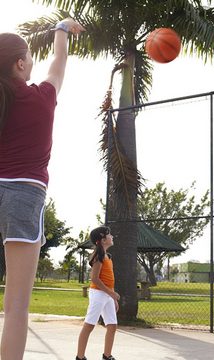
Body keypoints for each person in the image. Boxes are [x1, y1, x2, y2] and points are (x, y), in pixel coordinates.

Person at [0, 18, 85, 360]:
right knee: (16, 307)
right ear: (20, 63)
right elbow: (58, 64)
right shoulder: (42, 97)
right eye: (29, 58)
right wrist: (61, 30)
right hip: (23, 194)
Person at [76, 226, 120, 360]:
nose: (111, 236)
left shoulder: (108, 256)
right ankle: (80, 357)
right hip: (98, 294)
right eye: (109, 234)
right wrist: (111, 294)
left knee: (112, 325)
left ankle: (107, 356)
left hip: (107, 295)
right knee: (89, 325)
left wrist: (112, 298)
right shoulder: (98, 256)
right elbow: (95, 279)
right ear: (102, 239)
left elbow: (109, 280)